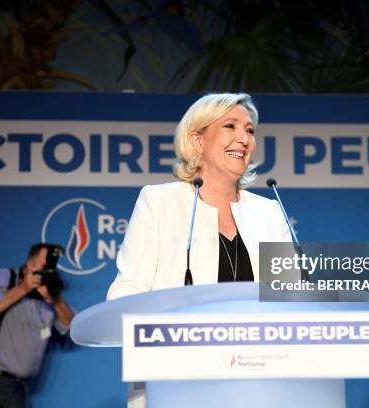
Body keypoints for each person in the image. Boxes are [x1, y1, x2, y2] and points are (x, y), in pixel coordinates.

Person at [106, 93, 292, 407]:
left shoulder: (269, 212)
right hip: (178, 382)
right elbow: (127, 290)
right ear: (197, 140)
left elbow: (291, 296)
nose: (243, 138)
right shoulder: (160, 201)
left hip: (259, 383)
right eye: (230, 126)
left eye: (249, 130)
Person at [0, 243, 75, 408]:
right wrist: (23, 288)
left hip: (18, 387)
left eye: (51, 267)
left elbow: (70, 327)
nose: (47, 271)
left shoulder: (47, 294)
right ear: (30, 264)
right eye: (44, 266)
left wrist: (55, 300)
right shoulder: (6, 277)